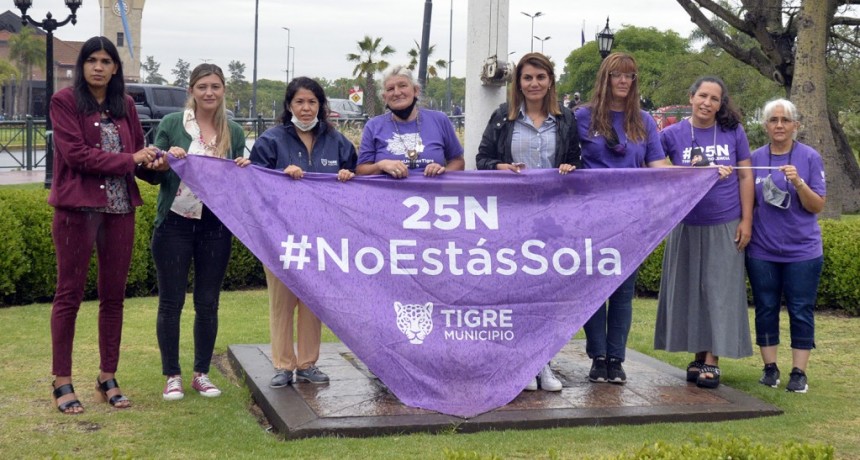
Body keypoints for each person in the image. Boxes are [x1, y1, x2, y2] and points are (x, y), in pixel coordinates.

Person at [48, 36, 156, 413]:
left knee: (113, 297)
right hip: (76, 210)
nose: (98, 66)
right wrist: (132, 158)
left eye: (105, 61)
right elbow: (76, 155)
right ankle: (62, 380)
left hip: (120, 210)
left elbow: (137, 155)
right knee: (69, 295)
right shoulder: (64, 102)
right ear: (82, 66)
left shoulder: (124, 104)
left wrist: (155, 164)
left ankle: (106, 376)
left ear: (115, 68)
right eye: (91, 60)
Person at [476, 52, 582, 391]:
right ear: (518, 82)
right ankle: (518, 364)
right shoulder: (502, 118)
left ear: (550, 80)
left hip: (550, 221)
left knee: (547, 291)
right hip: (511, 218)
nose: (534, 83)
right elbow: (482, 159)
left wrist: (570, 168)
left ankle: (544, 363)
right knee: (513, 290)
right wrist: (499, 167)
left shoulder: (565, 119)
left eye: (540, 77)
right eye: (527, 78)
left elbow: (575, 161)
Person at [144, 64, 250, 401]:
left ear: (223, 91)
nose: (209, 92)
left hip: (214, 226)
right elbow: (153, 171)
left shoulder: (233, 130)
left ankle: (201, 373)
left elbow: (233, 184)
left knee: (208, 303)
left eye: (215, 87)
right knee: (171, 302)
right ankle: (172, 374)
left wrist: (242, 171)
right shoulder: (173, 124)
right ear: (192, 90)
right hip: (174, 222)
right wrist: (163, 161)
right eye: (202, 86)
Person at [250, 77, 358, 388]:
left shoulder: (337, 142)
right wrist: (279, 177)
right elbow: (255, 185)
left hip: (322, 236)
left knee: (314, 301)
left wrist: (347, 176)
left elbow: (355, 180)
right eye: (300, 102)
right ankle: (283, 365)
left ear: (321, 107)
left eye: (312, 102)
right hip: (279, 235)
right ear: (289, 106)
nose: (306, 108)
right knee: (282, 303)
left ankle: (308, 363)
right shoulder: (271, 141)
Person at [575, 52, 670, 385]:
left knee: (621, 292)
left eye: (630, 76)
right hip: (591, 219)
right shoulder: (582, 118)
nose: (624, 81)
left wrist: (702, 174)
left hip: (631, 220)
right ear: (605, 77)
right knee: (593, 290)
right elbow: (566, 161)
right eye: (617, 75)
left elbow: (660, 167)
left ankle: (616, 358)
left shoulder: (643, 121)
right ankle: (597, 356)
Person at [655, 76, 755, 388]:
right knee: (691, 291)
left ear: (720, 104)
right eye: (702, 96)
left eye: (714, 98)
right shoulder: (672, 134)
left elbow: (746, 176)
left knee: (719, 291)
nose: (707, 103)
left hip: (724, 221)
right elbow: (654, 169)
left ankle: (713, 358)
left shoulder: (732, 132)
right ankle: (698, 355)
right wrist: (691, 172)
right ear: (691, 96)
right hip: (686, 222)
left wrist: (746, 221)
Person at [747, 98, 826, 393]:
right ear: (766, 126)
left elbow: (817, 205)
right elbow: (746, 201)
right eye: (773, 120)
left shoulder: (809, 157)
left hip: (802, 252)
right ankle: (769, 368)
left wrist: (800, 183)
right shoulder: (755, 158)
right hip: (762, 251)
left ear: (796, 125)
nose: (779, 125)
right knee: (766, 307)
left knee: (800, 309)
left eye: (785, 120)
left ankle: (798, 372)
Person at [357, 65, 464, 178]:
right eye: (390, 89)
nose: (397, 93)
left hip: (431, 194)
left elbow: (458, 162)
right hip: (387, 195)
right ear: (384, 97)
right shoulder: (373, 126)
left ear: (415, 90)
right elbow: (360, 171)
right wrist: (381, 165)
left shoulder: (440, 120)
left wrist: (442, 172)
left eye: (402, 86)